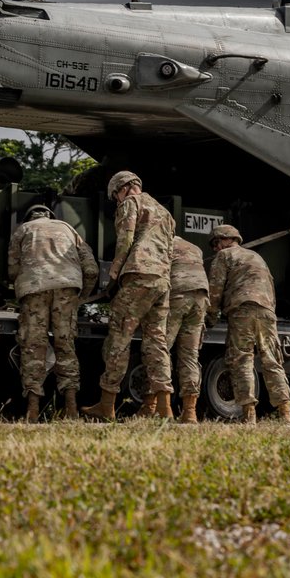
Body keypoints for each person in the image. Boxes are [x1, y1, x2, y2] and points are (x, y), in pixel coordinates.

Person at [81, 170, 175, 421]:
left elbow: (126, 239)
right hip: (162, 281)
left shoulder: (131, 203)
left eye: (116, 197)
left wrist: (113, 274)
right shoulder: (164, 212)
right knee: (157, 343)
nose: (117, 201)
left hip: (138, 276)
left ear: (122, 189)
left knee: (119, 338)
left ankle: (107, 404)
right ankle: (165, 408)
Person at [8, 203, 98, 422]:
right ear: (51, 216)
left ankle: (32, 410)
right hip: (67, 289)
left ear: (29, 217)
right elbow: (91, 269)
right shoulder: (69, 228)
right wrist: (82, 297)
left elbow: (12, 269)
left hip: (34, 288)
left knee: (33, 347)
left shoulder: (24, 230)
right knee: (65, 346)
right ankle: (71, 408)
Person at [207, 224, 290, 424]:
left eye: (215, 243)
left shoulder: (224, 256)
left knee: (241, 359)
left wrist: (211, 317)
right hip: (266, 310)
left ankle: (248, 414)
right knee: (272, 360)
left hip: (242, 310)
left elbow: (215, 290)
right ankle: (286, 413)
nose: (215, 248)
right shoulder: (257, 257)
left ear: (225, 240)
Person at [166, 235, 210, 424]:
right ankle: (189, 411)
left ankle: (159, 406)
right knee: (190, 356)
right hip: (200, 299)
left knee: (161, 349)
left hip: (177, 296)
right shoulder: (195, 247)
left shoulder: (162, 242)